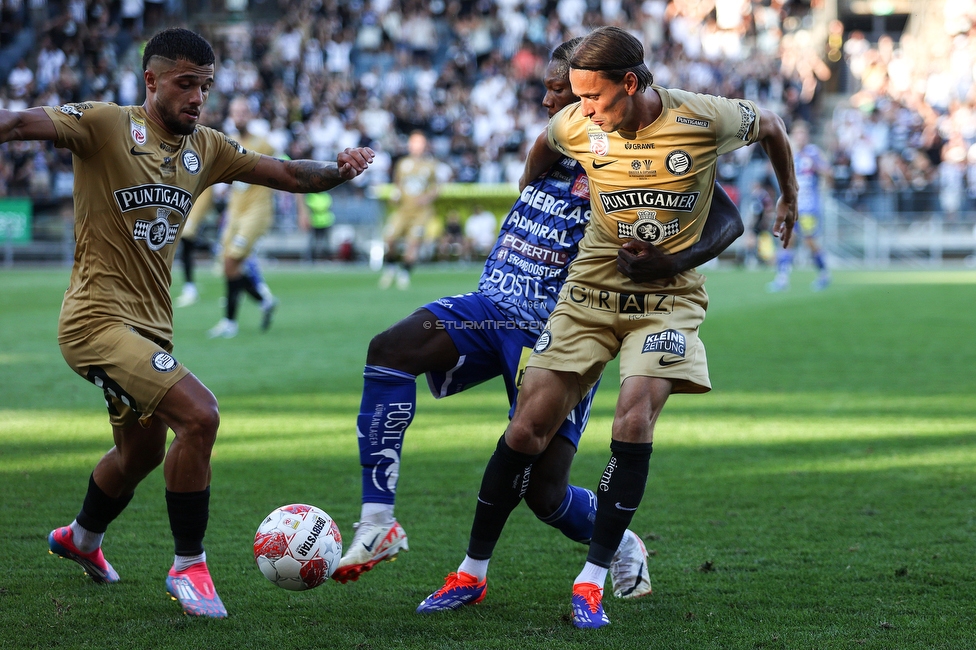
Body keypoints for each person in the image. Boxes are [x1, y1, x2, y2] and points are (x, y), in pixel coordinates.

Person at [333, 38, 745, 607]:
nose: (554, 99)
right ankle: (378, 522)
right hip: (492, 305)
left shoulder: (638, 149)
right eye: (551, 88)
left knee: (544, 489)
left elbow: (723, 213)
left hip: (559, 323)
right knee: (391, 348)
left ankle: (620, 545)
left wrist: (670, 262)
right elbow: (536, 163)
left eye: (564, 90)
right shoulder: (563, 138)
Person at [417, 26, 796, 629]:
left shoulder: (702, 119)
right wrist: (527, 189)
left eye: (595, 99)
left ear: (631, 82)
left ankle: (591, 581)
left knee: (633, 414)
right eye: (577, 98)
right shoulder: (578, 124)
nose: (584, 111)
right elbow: (543, 148)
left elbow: (772, 125)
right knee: (526, 430)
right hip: (588, 295)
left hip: (667, 300)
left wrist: (787, 197)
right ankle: (470, 573)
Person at [0, 28, 374, 619]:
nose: (198, 96)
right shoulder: (103, 124)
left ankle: (81, 538)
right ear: (151, 81)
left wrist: (339, 169)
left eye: (206, 85)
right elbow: (17, 125)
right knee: (200, 415)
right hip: (95, 321)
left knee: (140, 454)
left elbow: (289, 175)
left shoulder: (209, 148)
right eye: (185, 84)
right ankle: (188, 566)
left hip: (151, 329)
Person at [207, 96, 280, 338]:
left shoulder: (265, 144)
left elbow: (284, 173)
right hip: (235, 212)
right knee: (229, 266)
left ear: (250, 115)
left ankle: (230, 322)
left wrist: (299, 208)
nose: (239, 116)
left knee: (232, 262)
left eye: (243, 112)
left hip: (256, 212)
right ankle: (262, 300)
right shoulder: (229, 143)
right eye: (235, 112)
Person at [767, 120, 830, 292]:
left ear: (807, 136)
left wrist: (818, 168)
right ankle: (782, 278)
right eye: (797, 133)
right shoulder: (789, 154)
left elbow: (828, 173)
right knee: (787, 241)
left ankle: (824, 273)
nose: (800, 137)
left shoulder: (813, 153)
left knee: (810, 241)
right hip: (792, 207)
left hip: (809, 207)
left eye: (802, 133)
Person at [378, 131, 439, 290]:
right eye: (414, 143)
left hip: (421, 211)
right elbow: (397, 184)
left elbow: (435, 189)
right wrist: (395, 195)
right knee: (390, 239)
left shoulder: (430, 165)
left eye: (419, 143)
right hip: (402, 209)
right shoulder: (402, 164)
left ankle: (404, 273)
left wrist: (426, 198)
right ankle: (390, 267)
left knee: (413, 243)